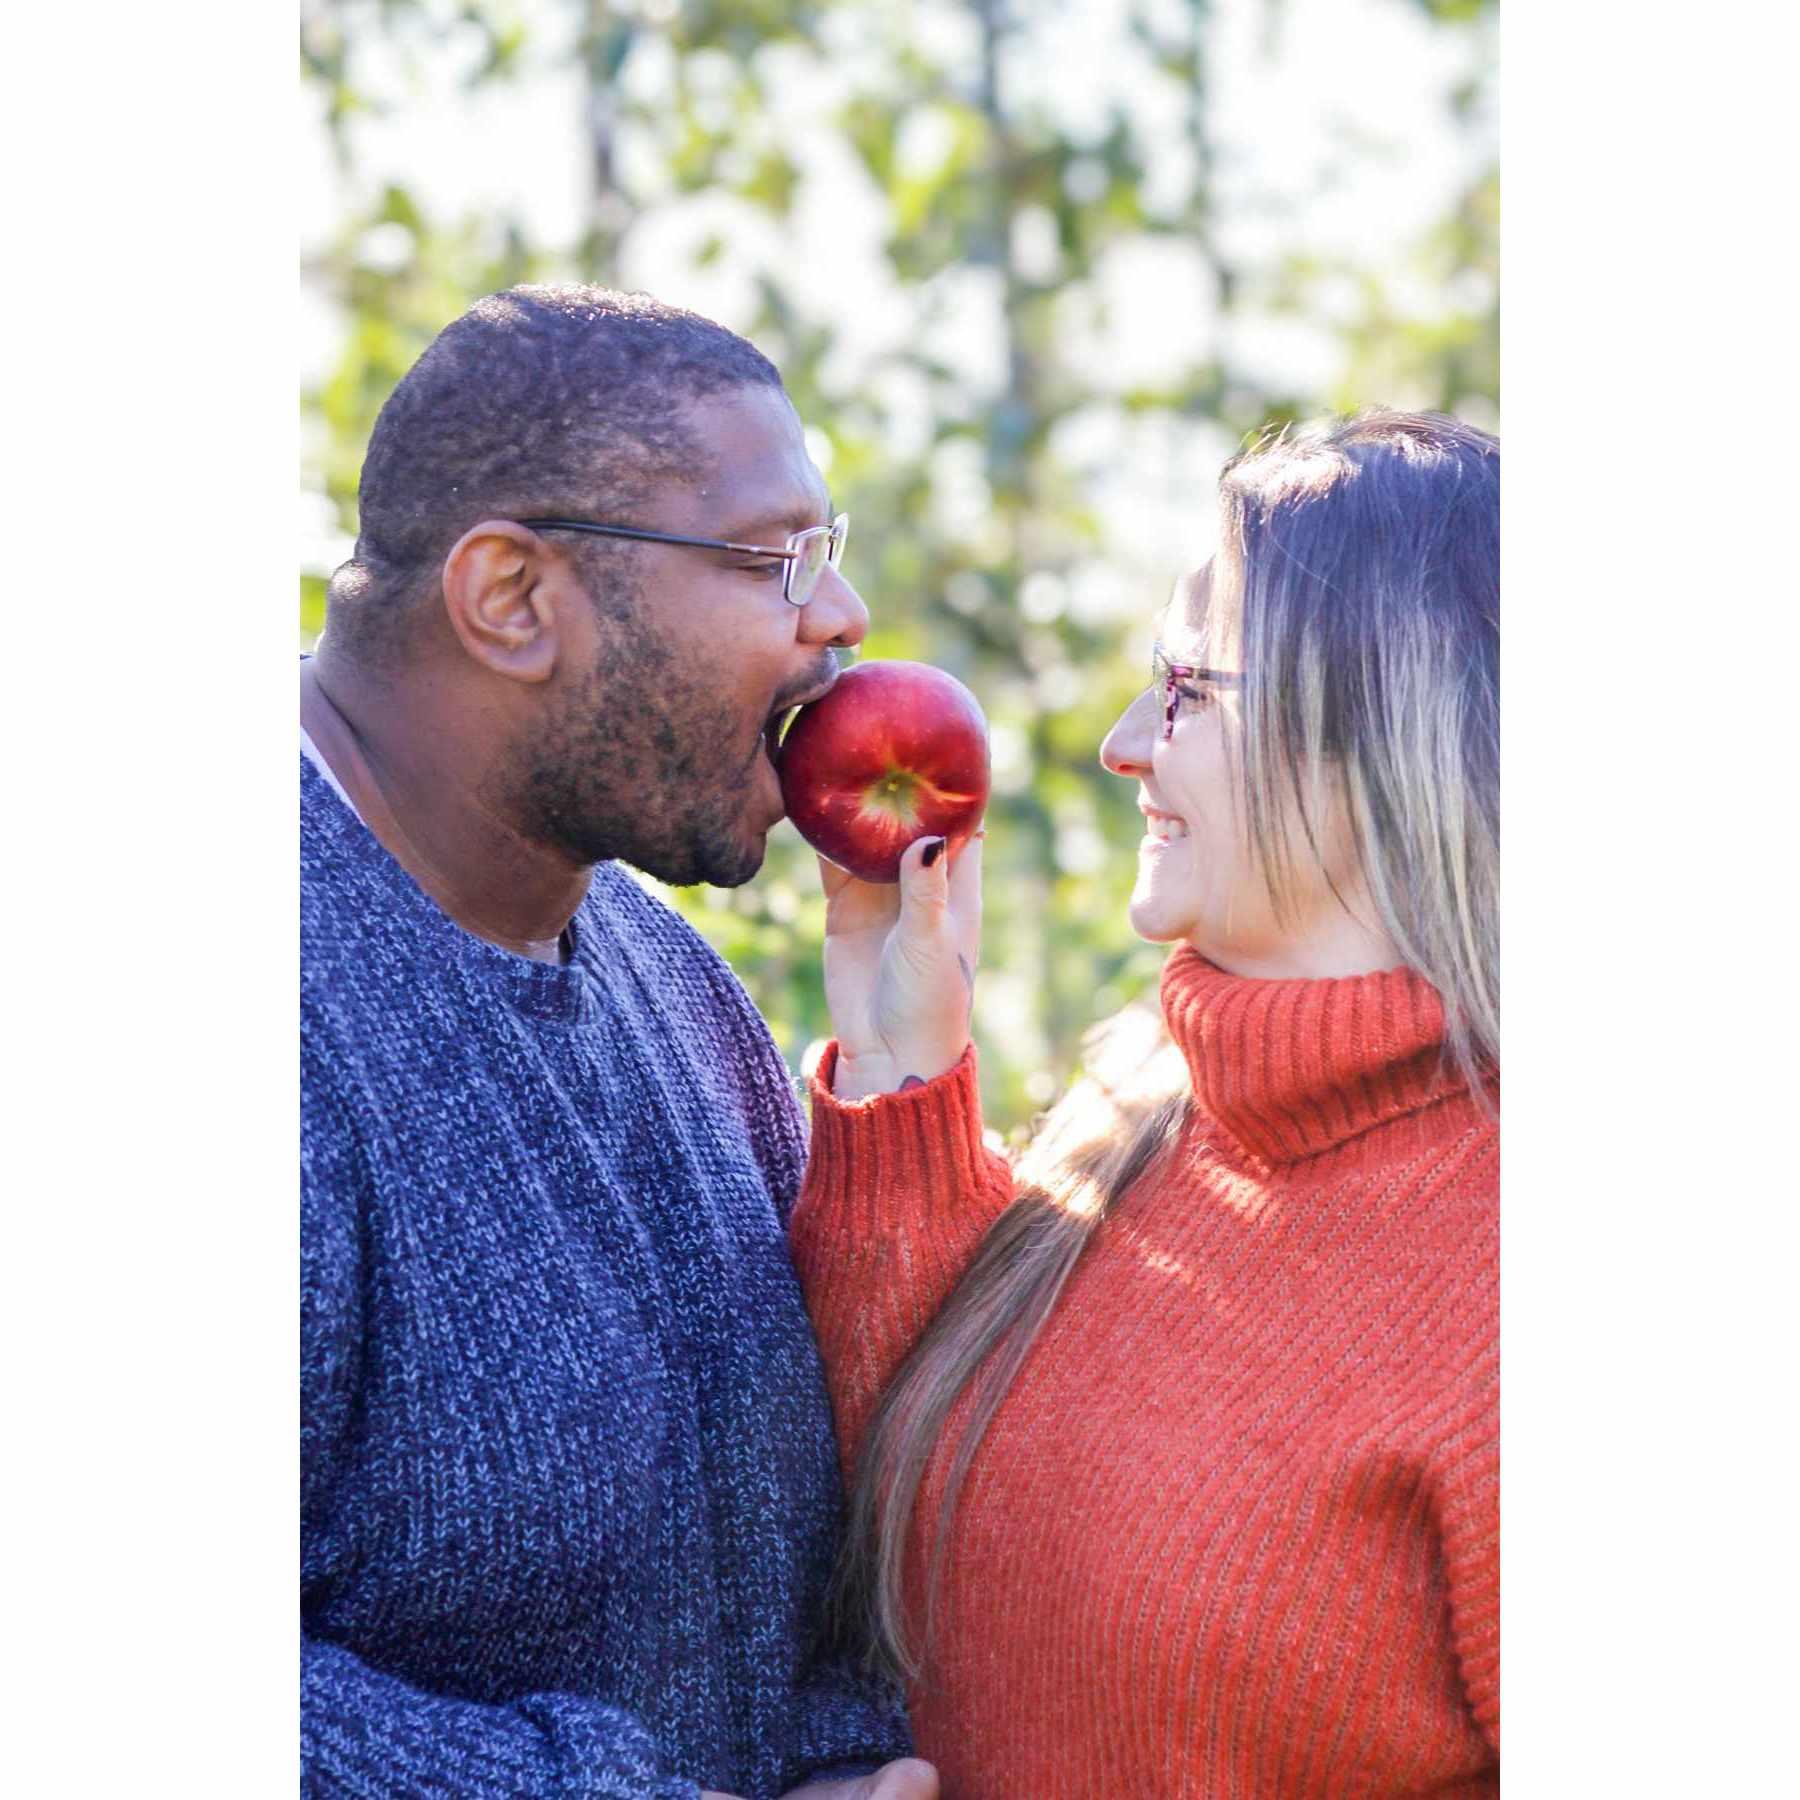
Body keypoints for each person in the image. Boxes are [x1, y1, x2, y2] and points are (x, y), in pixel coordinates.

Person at [791, 410, 1500, 1796]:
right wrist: (902, 1071)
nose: (1122, 746)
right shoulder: (1147, 1096)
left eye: (1185, 688)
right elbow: (887, 1504)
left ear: (1376, 723)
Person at [301, 284, 937, 1800]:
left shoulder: (679, 988)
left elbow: (789, 1544)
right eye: (774, 559)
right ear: (512, 597)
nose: (839, 618)